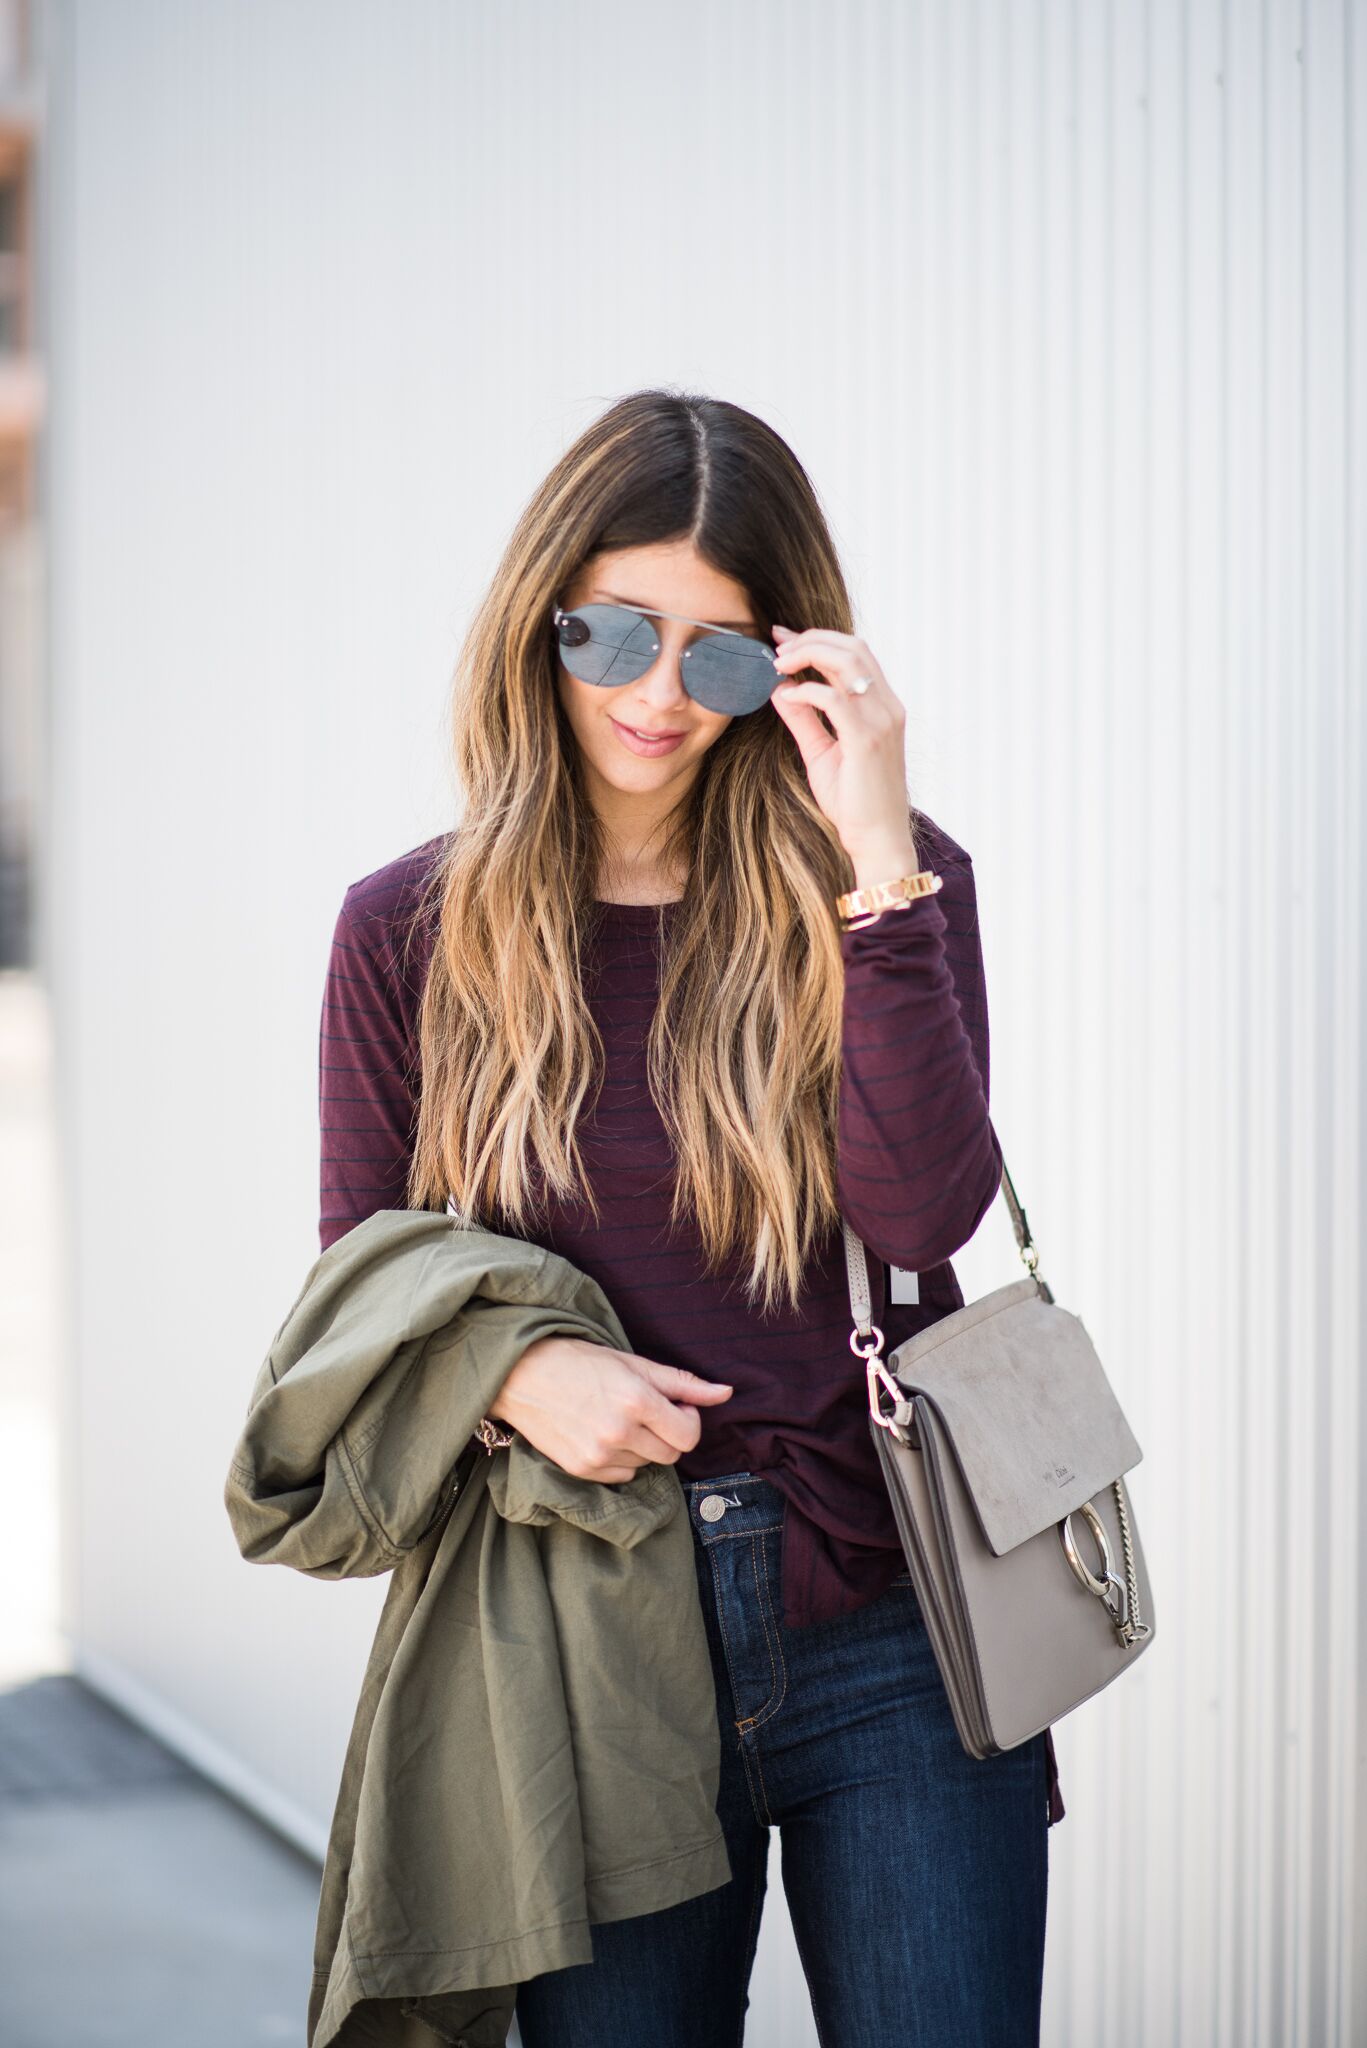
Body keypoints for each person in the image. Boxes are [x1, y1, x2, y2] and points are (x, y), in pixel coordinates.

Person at [318, 386, 1062, 2048]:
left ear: (788, 668)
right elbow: (359, 1284)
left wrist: (874, 852)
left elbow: (927, 1210)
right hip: (584, 1641)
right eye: (618, 636)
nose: (660, 697)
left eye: (719, 656)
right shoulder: (407, 934)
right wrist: (516, 1378)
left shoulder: (883, 883)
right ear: (543, 620)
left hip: (890, 1631)